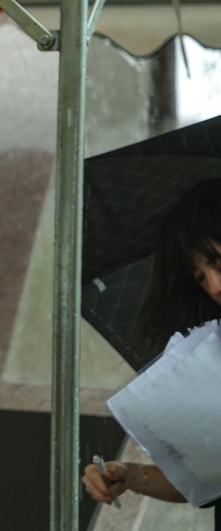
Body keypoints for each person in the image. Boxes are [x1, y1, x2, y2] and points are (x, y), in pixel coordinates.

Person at [82, 176, 221, 527]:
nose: (214, 286)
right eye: (200, 277)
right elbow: (206, 481)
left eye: (216, 263)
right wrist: (129, 476)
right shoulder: (210, 350)